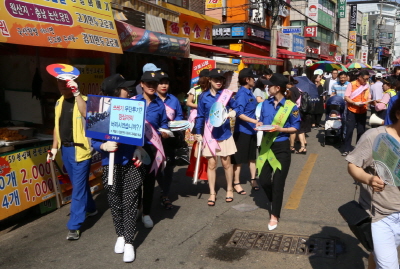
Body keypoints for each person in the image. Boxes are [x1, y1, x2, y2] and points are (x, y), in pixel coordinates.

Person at [92, 74, 144, 262]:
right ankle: (120, 235)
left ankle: (129, 241)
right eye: (124, 88)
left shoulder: (133, 107)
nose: (129, 90)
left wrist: (138, 148)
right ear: (115, 91)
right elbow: (94, 140)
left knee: (130, 201)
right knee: (115, 201)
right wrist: (103, 146)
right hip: (110, 164)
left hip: (131, 163)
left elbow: (138, 134)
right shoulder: (99, 110)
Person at [346, 97, 400, 269]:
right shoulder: (375, 137)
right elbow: (353, 165)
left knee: (376, 256)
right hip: (381, 216)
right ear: (398, 114)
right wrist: (368, 179)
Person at [47, 79, 97, 240]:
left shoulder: (85, 100)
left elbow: (85, 114)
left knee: (78, 188)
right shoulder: (59, 102)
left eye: (65, 82)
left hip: (81, 150)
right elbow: (57, 126)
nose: (62, 85)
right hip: (66, 149)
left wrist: (76, 93)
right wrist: (54, 147)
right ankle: (91, 208)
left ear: (74, 83)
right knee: (78, 184)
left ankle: (74, 226)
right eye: (59, 82)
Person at [256, 73, 300, 230]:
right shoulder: (266, 104)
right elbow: (262, 120)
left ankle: (274, 214)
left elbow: (296, 127)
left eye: (269, 85)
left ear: (278, 88)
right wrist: (260, 124)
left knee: (278, 183)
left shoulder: (291, 107)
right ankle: (274, 200)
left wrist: (281, 129)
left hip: (281, 147)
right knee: (264, 180)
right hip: (266, 146)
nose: (267, 88)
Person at [193, 68, 237, 206]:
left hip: (224, 133)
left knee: (226, 163)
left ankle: (230, 189)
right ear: (210, 80)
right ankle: (212, 192)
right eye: (216, 79)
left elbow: (238, 107)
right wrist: (198, 132)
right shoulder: (203, 97)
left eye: (221, 80)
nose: (219, 82)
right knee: (211, 165)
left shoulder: (227, 95)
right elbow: (200, 116)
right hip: (209, 134)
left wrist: (233, 112)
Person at [132, 71, 169, 228]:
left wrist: (165, 131)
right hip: (134, 148)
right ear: (141, 84)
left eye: (154, 84)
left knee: (148, 182)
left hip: (152, 147)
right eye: (148, 83)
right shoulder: (133, 101)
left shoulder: (160, 104)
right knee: (134, 182)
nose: (152, 86)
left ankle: (146, 212)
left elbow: (164, 123)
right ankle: (136, 208)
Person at [155, 71, 184, 210]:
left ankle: (165, 194)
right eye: (160, 83)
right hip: (153, 140)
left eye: (166, 83)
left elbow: (179, 115)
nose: (163, 85)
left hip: (169, 139)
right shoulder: (151, 99)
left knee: (169, 167)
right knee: (154, 167)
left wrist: (175, 124)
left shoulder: (173, 100)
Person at [231, 68, 261, 193]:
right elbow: (239, 113)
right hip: (242, 130)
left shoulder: (250, 92)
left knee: (252, 157)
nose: (255, 80)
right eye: (253, 78)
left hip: (252, 130)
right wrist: (255, 122)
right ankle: (236, 183)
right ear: (247, 79)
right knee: (239, 159)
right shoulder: (242, 94)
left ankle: (254, 180)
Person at [342, 70, 371, 156]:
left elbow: (369, 97)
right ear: (360, 77)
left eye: (367, 79)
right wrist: (354, 103)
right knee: (349, 130)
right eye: (365, 79)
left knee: (361, 131)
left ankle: (358, 149)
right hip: (352, 110)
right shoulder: (351, 84)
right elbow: (346, 97)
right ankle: (346, 149)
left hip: (363, 110)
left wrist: (369, 101)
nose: (366, 81)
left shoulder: (367, 85)